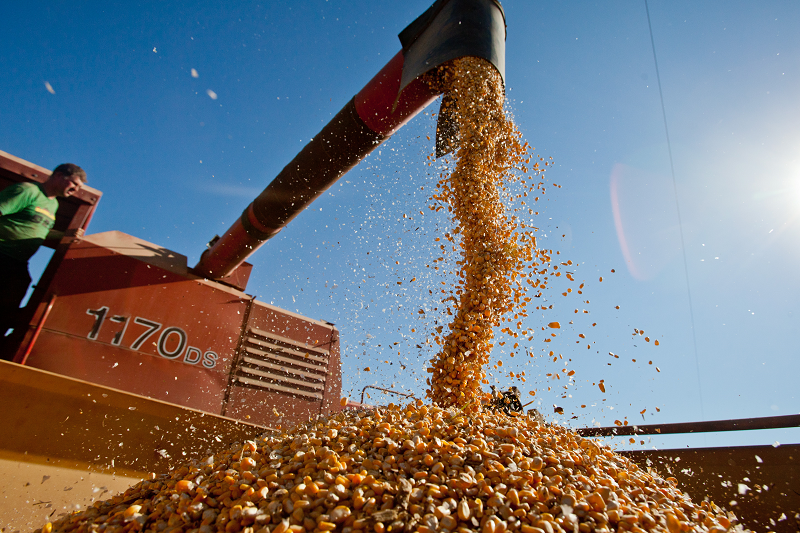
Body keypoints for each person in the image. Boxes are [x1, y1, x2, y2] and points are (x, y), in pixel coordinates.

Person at [0, 163, 87, 337]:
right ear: (59, 176)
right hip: (3, 254)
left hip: (17, 261)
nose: (76, 190)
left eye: (79, 187)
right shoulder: (28, 191)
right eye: (74, 183)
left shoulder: (53, 204)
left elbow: (40, 230)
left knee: (19, 288)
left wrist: (65, 235)